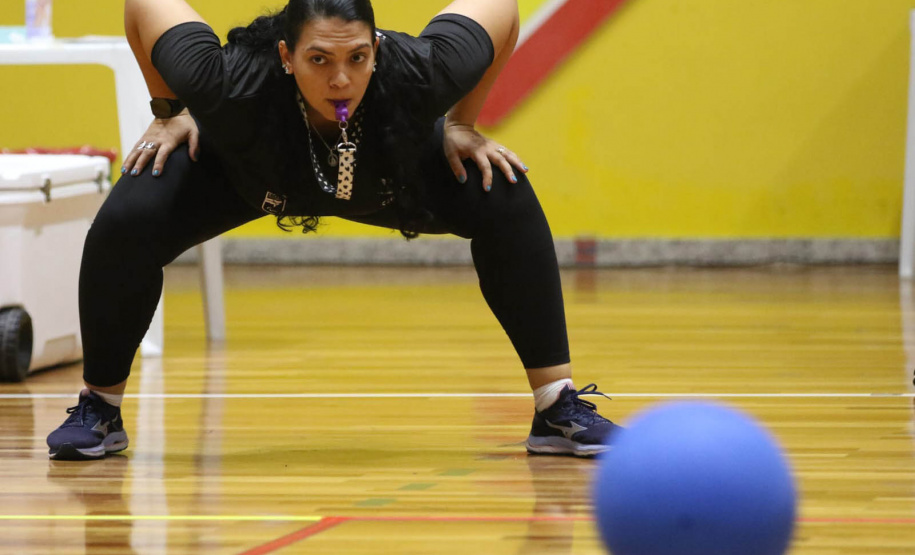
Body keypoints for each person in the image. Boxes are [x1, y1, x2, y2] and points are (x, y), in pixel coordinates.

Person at [46, 0, 619, 461]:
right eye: (318, 60)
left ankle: (555, 406)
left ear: (379, 51)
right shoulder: (226, 80)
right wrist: (171, 111)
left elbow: (503, 9)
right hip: (247, 176)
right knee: (128, 215)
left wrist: (464, 123)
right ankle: (100, 407)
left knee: (505, 190)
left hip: (394, 174)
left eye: (358, 59)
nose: (341, 79)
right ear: (285, 56)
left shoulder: (423, 70)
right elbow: (144, 5)